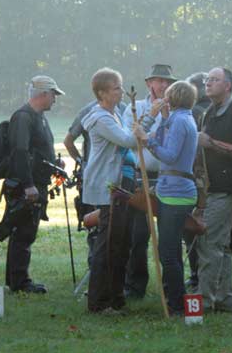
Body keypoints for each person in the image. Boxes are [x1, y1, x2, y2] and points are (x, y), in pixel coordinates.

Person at [135, 81, 198, 315]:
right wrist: (162, 118)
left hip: (176, 193)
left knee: (169, 253)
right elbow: (164, 138)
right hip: (170, 190)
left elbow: (169, 155)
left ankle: (177, 304)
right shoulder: (178, 118)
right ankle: (175, 297)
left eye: (167, 96)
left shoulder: (181, 121)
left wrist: (145, 139)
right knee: (168, 251)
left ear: (172, 99)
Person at [0, 75, 63, 293]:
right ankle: (19, 282)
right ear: (43, 94)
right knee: (23, 233)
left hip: (38, 183)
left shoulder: (39, 117)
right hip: (27, 186)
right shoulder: (24, 117)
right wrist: (28, 185)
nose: (55, 99)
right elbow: (20, 152)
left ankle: (16, 280)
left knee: (27, 232)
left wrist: (54, 163)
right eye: (53, 95)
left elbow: (38, 150)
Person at [81, 68, 140, 313]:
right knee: (107, 245)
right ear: (102, 93)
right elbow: (128, 140)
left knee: (119, 242)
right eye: (117, 87)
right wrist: (146, 120)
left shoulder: (114, 113)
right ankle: (98, 301)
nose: (121, 91)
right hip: (107, 186)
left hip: (117, 185)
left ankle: (115, 297)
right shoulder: (101, 119)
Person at [196, 67, 232, 312]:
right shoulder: (209, 111)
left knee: (208, 242)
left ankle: (204, 302)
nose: (208, 83)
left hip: (226, 188)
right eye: (207, 80)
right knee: (222, 246)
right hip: (210, 187)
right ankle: (224, 299)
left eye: (214, 80)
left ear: (228, 85)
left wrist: (212, 144)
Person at [121, 63, 176, 299]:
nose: (163, 85)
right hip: (141, 177)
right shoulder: (135, 108)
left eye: (167, 82)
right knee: (139, 235)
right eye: (159, 81)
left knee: (170, 237)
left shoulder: (177, 111)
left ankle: (172, 287)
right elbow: (129, 138)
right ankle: (136, 286)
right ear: (148, 83)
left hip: (168, 178)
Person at [184, 71, 211, 291]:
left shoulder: (194, 112)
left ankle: (197, 276)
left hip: (197, 178)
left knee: (193, 227)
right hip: (209, 178)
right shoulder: (216, 109)